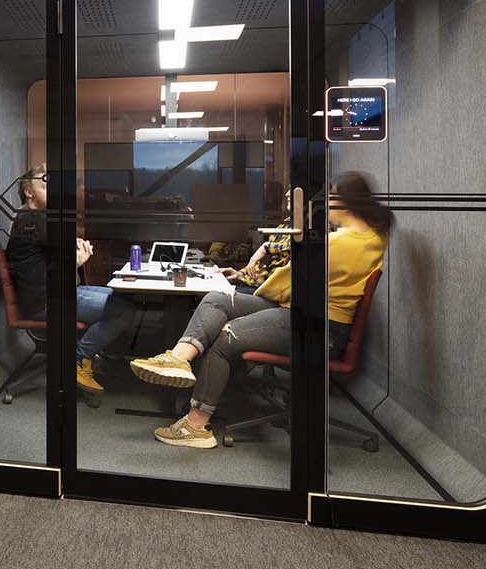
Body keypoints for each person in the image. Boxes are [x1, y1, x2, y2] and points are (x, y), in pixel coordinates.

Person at [128, 172, 392, 449]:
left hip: (316, 326)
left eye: (330, 198)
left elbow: (286, 282)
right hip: (302, 311)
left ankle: (195, 426)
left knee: (225, 336)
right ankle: (178, 358)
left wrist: (260, 292)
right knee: (219, 299)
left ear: (342, 202)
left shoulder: (339, 243)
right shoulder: (374, 238)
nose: (326, 205)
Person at [5, 164, 134, 394]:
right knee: (123, 311)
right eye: (46, 185)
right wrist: (75, 261)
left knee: (122, 297)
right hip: (45, 302)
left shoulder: (34, 219)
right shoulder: (32, 219)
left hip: (55, 293)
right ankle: (78, 359)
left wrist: (74, 247)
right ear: (29, 191)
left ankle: (86, 355)